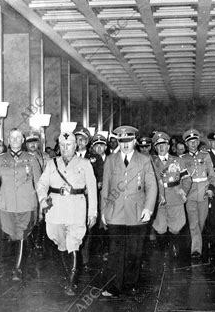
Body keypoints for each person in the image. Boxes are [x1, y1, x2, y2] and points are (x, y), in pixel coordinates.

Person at [36, 131, 97, 296]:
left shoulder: (85, 164)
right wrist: (42, 199)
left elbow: (92, 190)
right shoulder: (52, 163)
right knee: (60, 242)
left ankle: (71, 282)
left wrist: (93, 212)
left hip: (76, 208)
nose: (65, 148)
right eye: (62, 145)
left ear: (75, 146)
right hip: (55, 208)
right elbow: (41, 184)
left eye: (68, 144)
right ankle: (69, 272)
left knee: (73, 243)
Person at [100, 125, 157, 297]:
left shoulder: (144, 160)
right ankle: (114, 286)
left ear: (134, 141)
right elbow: (106, 188)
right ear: (118, 142)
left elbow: (152, 186)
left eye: (128, 141)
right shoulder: (110, 160)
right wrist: (104, 211)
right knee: (116, 251)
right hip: (115, 212)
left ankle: (131, 283)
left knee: (134, 251)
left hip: (136, 212)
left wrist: (148, 209)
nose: (125, 145)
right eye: (121, 141)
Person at [0, 128, 42, 280]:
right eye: (13, 137)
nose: (16, 140)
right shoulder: (0, 159)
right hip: (7, 204)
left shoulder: (31, 159)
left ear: (23, 139)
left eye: (18, 137)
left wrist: (42, 201)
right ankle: (17, 262)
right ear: (8, 140)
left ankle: (18, 268)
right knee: (11, 233)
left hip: (26, 204)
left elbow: (39, 182)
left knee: (22, 233)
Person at [150, 131, 190, 258]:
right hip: (158, 200)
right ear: (155, 148)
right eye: (158, 145)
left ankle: (174, 250)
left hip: (175, 198)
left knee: (176, 227)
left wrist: (184, 191)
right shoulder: (150, 162)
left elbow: (187, 179)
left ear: (168, 146)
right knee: (160, 228)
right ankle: (163, 253)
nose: (161, 148)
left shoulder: (177, 161)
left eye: (164, 145)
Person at [181, 129, 215, 259]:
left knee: (201, 222)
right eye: (190, 142)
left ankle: (196, 240)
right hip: (189, 193)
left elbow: (212, 176)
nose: (193, 144)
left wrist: (211, 188)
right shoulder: (182, 159)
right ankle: (196, 249)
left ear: (198, 142)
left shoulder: (205, 156)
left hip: (203, 192)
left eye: (195, 141)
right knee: (193, 223)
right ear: (186, 144)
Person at [74, 127, 103, 269]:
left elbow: (100, 180)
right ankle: (74, 257)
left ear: (88, 141)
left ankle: (84, 260)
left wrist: (88, 188)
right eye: (77, 139)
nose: (80, 142)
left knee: (87, 228)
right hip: (72, 199)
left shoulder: (94, 158)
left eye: (83, 139)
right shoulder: (68, 156)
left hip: (87, 199)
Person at [25, 130, 51, 257]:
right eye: (29, 142)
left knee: (42, 218)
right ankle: (29, 245)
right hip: (28, 192)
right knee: (29, 218)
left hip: (43, 191)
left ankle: (39, 244)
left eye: (35, 141)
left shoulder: (45, 157)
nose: (32, 145)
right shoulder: (22, 157)